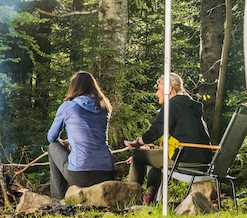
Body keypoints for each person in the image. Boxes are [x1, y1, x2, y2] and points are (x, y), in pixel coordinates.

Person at [124, 73, 211, 201]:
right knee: (154, 159)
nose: (156, 93)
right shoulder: (188, 106)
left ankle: (130, 200)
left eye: (159, 89)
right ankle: (149, 197)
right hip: (203, 160)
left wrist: (138, 143)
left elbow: (157, 129)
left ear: (169, 89)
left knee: (138, 156)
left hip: (186, 160)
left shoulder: (172, 104)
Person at [46, 71, 116, 200]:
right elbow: (92, 134)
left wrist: (66, 142)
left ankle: (58, 199)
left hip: (81, 173)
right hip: (107, 171)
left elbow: (52, 136)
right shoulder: (104, 106)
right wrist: (72, 140)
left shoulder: (68, 106)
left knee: (52, 146)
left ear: (73, 87)